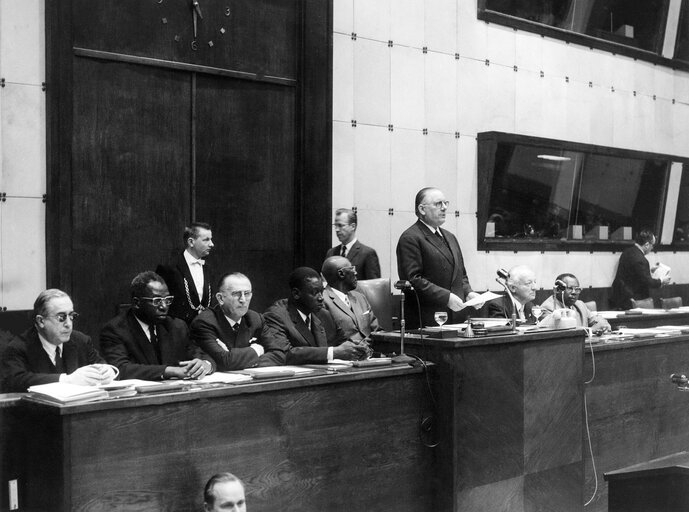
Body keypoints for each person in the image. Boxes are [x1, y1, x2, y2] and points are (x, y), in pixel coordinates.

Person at [100, 271, 214, 380]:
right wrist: (169, 371)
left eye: (167, 300)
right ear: (137, 303)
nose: (164, 306)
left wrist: (205, 364)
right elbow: (120, 369)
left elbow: (201, 355)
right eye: (157, 300)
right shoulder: (115, 330)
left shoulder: (177, 326)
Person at [396, 187, 482, 327]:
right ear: (422, 209)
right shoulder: (410, 238)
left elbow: (461, 275)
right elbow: (413, 279)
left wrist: (468, 292)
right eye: (438, 204)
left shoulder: (450, 237)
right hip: (426, 320)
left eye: (445, 203)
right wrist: (446, 297)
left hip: (455, 317)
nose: (444, 208)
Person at [1, 289, 116, 392]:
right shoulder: (17, 348)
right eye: (61, 317)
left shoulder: (81, 341)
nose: (69, 324)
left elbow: (101, 364)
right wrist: (67, 379)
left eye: (71, 316)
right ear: (41, 321)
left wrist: (108, 372)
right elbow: (15, 381)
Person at [260, 267, 368, 365]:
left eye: (322, 292)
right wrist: (332, 353)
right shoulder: (275, 316)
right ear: (296, 294)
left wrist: (357, 348)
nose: (321, 298)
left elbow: (342, 342)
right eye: (315, 292)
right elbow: (284, 354)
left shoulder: (324, 314)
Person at [191, 273, 269, 371]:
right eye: (236, 294)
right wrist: (257, 350)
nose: (243, 300)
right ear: (220, 298)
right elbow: (225, 362)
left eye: (247, 293)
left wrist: (239, 359)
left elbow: (279, 354)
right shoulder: (205, 322)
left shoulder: (256, 319)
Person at [156, 222, 215, 324]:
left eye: (211, 239)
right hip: (177, 330)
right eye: (206, 240)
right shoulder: (169, 268)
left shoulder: (208, 268)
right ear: (191, 242)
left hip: (203, 329)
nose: (212, 244)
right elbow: (159, 301)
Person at [321, 256, 377, 356]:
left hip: (372, 355)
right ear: (341, 273)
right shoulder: (323, 301)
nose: (356, 273)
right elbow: (327, 340)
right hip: (344, 359)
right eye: (352, 269)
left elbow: (376, 329)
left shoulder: (360, 297)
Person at [610, 230, 670, 310]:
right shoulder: (641, 260)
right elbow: (648, 282)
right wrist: (661, 281)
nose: (652, 248)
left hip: (619, 297)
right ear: (647, 245)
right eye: (652, 245)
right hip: (632, 300)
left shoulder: (627, 252)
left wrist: (650, 271)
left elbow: (633, 274)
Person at [539, 273, 611, 331]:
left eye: (577, 289)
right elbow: (564, 331)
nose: (574, 292)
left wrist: (603, 325)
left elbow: (596, 320)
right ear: (558, 290)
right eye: (570, 288)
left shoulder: (580, 305)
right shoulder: (547, 308)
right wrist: (591, 330)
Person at [325, 208, 381, 280]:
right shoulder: (331, 253)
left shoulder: (367, 254)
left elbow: (373, 286)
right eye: (335, 225)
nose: (337, 229)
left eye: (340, 225)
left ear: (353, 226)